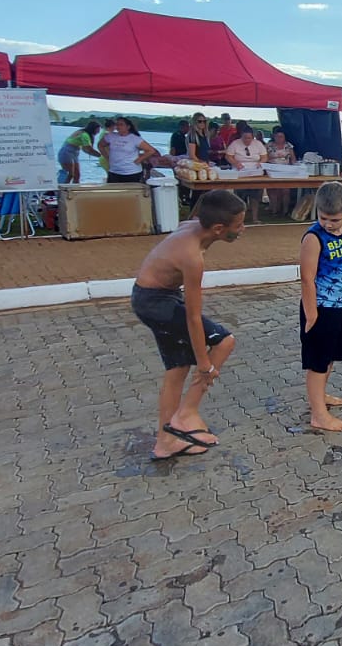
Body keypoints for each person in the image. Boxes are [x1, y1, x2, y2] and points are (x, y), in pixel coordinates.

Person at [131, 192, 246, 459]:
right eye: (238, 225)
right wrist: (205, 364)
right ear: (219, 229)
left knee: (177, 368)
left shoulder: (193, 225)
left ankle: (165, 442)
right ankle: (186, 414)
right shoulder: (192, 257)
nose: (243, 230)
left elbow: (205, 201)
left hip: (150, 297)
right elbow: (194, 317)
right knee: (224, 341)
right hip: (156, 303)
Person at [300, 181, 342, 432]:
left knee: (331, 357)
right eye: (323, 217)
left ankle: (320, 396)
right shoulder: (314, 238)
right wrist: (311, 314)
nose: (328, 224)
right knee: (317, 361)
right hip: (321, 307)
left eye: (334, 219)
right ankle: (318, 414)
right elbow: (307, 278)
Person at [104, 117, 157, 185]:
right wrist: (106, 156)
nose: (118, 126)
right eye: (117, 124)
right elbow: (100, 145)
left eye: (121, 124)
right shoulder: (111, 136)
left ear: (128, 127)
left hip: (132, 172)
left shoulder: (135, 139)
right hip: (114, 171)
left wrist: (139, 160)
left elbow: (151, 150)